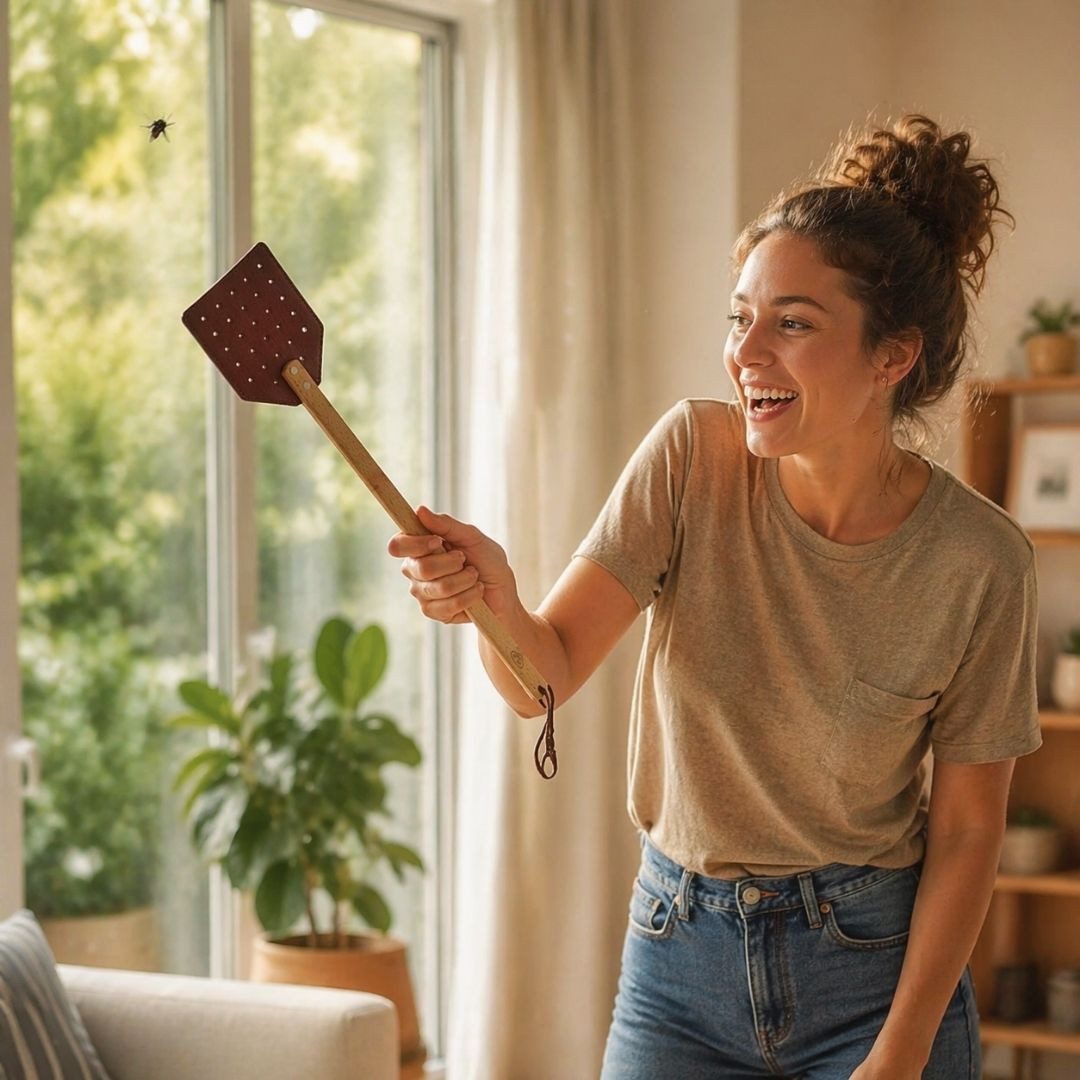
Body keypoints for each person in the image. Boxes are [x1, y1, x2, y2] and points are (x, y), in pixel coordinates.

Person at [387, 115, 1041, 1078]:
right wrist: (496, 599)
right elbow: (542, 678)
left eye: (794, 323)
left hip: (876, 976)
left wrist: (900, 1053)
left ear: (892, 357)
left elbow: (971, 831)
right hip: (677, 960)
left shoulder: (981, 561)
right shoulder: (690, 461)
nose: (746, 353)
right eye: (741, 317)